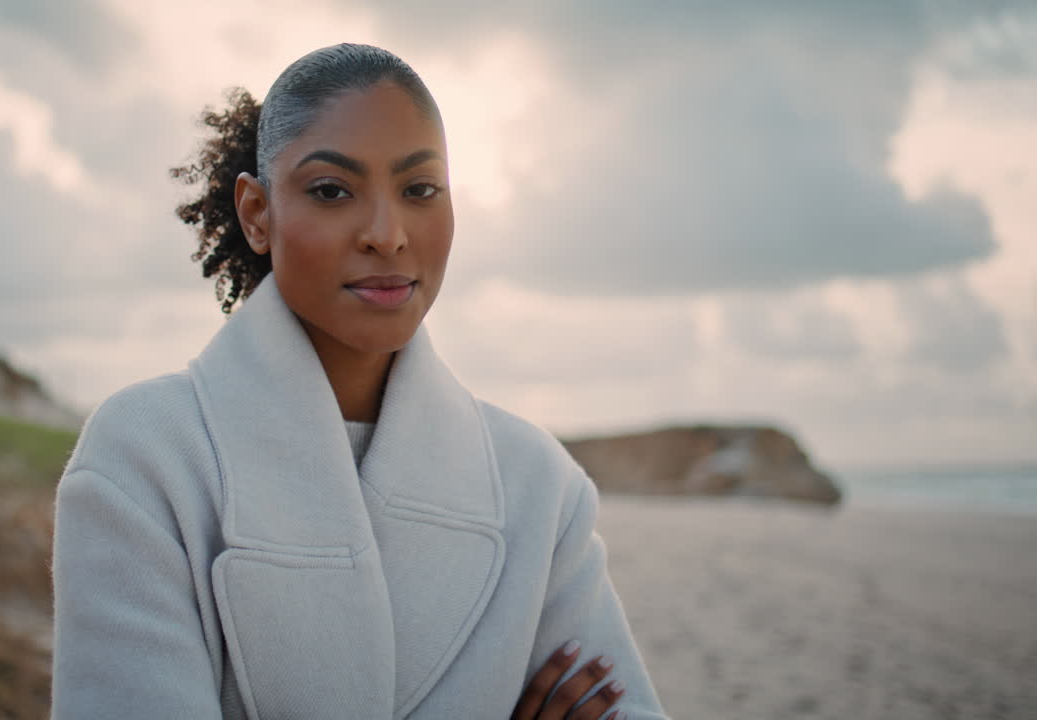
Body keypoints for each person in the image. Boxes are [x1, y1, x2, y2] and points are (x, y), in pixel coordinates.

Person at [49, 43, 669, 720]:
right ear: (258, 214)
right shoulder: (142, 462)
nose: (387, 233)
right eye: (331, 191)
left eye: (420, 190)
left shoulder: (540, 489)